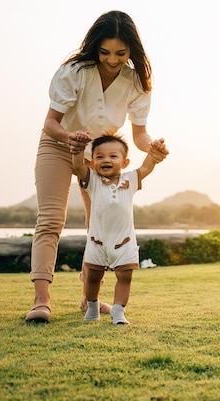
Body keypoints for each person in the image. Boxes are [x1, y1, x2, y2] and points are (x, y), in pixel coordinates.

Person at [25, 11, 169, 323]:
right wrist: (69, 138)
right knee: (51, 219)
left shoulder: (137, 83)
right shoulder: (74, 71)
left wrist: (153, 148)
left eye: (121, 53)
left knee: (99, 226)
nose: (113, 60)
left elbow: (139, 135)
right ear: (95, 47)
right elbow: (51, 123)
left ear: (132, 49)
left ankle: (87, 298)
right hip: (58, 144)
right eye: (105, 52)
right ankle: (41, 300)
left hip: (100, 157)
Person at [72, 133, 163, 325]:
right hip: (98, 240)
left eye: (113, 156)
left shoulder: (130, 180)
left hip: (125, 241)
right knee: (93, 277)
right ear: (93, 162)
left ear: (125, 162)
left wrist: (153, 154)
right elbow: (78, 166)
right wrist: (78, 149)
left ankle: (118, 311)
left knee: (125, 276)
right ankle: (92, 306)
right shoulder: (93, 181)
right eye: (100, 156)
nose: (106, 160)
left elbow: (146, 167)